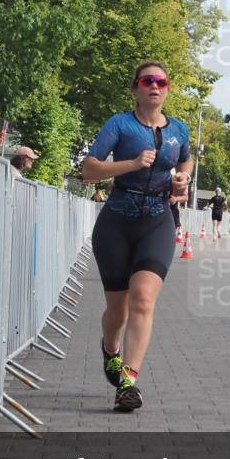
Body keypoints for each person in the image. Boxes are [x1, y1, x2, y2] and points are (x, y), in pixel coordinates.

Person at [81, 62, 192, 412]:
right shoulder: (120, 124)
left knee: (142, 299)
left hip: (157, 220)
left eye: (161, 81)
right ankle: (110, 349)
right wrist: (130, 164)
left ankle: (127, 382)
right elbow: (88, 170)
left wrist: (183, 180)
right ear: (135, 89)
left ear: (167, 89)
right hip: (116, 222)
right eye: (148, 81)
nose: (155, 86)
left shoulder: (179, 130)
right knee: (118, 309)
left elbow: (186, 162)